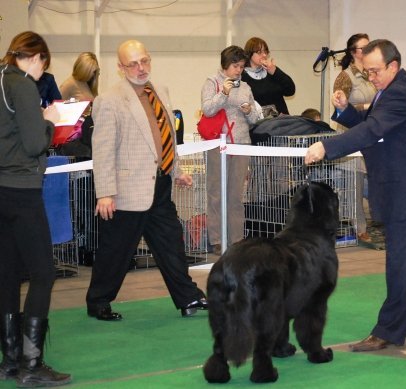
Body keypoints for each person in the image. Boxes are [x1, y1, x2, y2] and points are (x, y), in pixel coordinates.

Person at [305, 39, 406, 351]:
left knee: (400, 259)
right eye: (367, 71)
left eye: (375, 71)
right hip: (400, 185)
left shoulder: (399, 92)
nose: (370, 76)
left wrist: (326, 147)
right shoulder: (390, 90)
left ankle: (389, 330)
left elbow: (372, 132)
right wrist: (345, 111)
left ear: (393, 66)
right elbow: (373, 124)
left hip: (404, 187)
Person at [86, 39, 208, 321]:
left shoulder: (160, 91)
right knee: (116, 251)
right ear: (120, 68)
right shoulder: (108, 101)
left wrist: (176, 171)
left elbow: (166, 139)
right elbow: (102, 150)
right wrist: (105, 193)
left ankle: (188, 298)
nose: (141, 68)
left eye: (145, 61)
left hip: (160, 185)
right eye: (133, 64)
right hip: (126, 191)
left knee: (171, 245)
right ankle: (98, 301)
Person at [0, 31, 71, 387]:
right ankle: (32, 363)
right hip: (22, 189)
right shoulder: (24, 85)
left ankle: (11, 360)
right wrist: (51, 120)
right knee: (43, 274)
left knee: (8, 274)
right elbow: (33, 143)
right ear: (37, 58)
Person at [202, 45, 260, 255]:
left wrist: (249, 110)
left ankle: (237, 239)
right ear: (225, 65)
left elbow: (255, 119)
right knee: (215, 193)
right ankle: (216, 239)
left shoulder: (245, 87)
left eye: (241, 67)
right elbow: (208, 109)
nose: (238, 70)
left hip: (241, 143)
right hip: (217, 143)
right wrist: (223, 93)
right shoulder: (212, 83)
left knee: (236, 195)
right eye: (235, 66)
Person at [333, 33, 377, 243]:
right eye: (364, 48)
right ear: (353, 52)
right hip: (350, 136)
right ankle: (359, 228)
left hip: (370, 134)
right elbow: (339, 106)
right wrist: (367, 107)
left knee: (373, 181)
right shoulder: (345, 76)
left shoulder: (372, 75)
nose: (368, 51)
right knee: (355, 185)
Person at [241, 37, 295, 115]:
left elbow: (290, 91)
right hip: (259, 124)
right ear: (249, 54)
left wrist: (275, 71)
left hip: (282, 122)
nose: (264, 55)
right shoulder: (242, 77)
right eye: (259, 52)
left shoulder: (272, 71)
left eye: (266, 51)